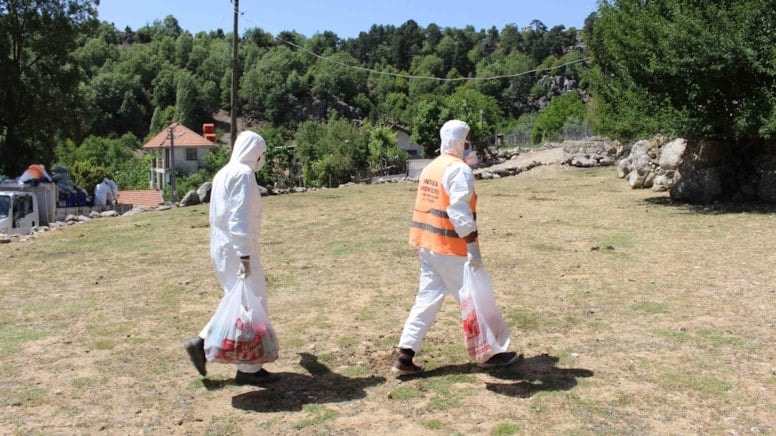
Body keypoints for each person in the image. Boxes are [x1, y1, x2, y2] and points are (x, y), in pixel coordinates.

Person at [393, 119, 518, 376]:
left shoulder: (432, 167)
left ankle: (405, 354)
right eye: (468, 138)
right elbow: (458, 210)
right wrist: (471, 243)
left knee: (426, 299)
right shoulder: (458, 169)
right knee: (475, 299)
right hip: (451, 247)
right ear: (461, 141)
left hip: (427, 245)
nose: (469, 143)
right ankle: (489, 353)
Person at [184, 130, 279, 386]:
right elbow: (239, 218)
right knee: (252, 302)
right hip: (237, 249)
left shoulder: (223, 172)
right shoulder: (243, 175)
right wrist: (246, 256)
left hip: (221, 247)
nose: (262, 159)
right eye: (261, 154)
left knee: (237, 301)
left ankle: (213, 347)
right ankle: (246, 367)